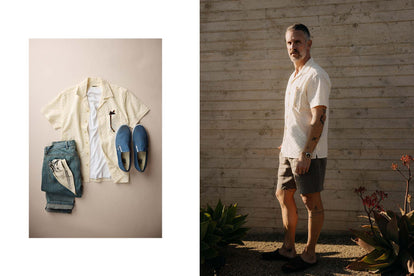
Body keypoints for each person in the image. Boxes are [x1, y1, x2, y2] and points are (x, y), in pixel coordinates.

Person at [261, 23, 331, 273]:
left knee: (310, 201)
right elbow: (296, 117)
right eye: (289, 42)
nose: (293, 47)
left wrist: (306, 153)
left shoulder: (315, 75)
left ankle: (310, 254)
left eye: (298, 42)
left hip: (307, 154)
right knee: (283, 195)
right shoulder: (295, 75)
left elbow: (318, 118)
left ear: (309, 44)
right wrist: (287, 143)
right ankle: (288, 248)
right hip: (288, 150)